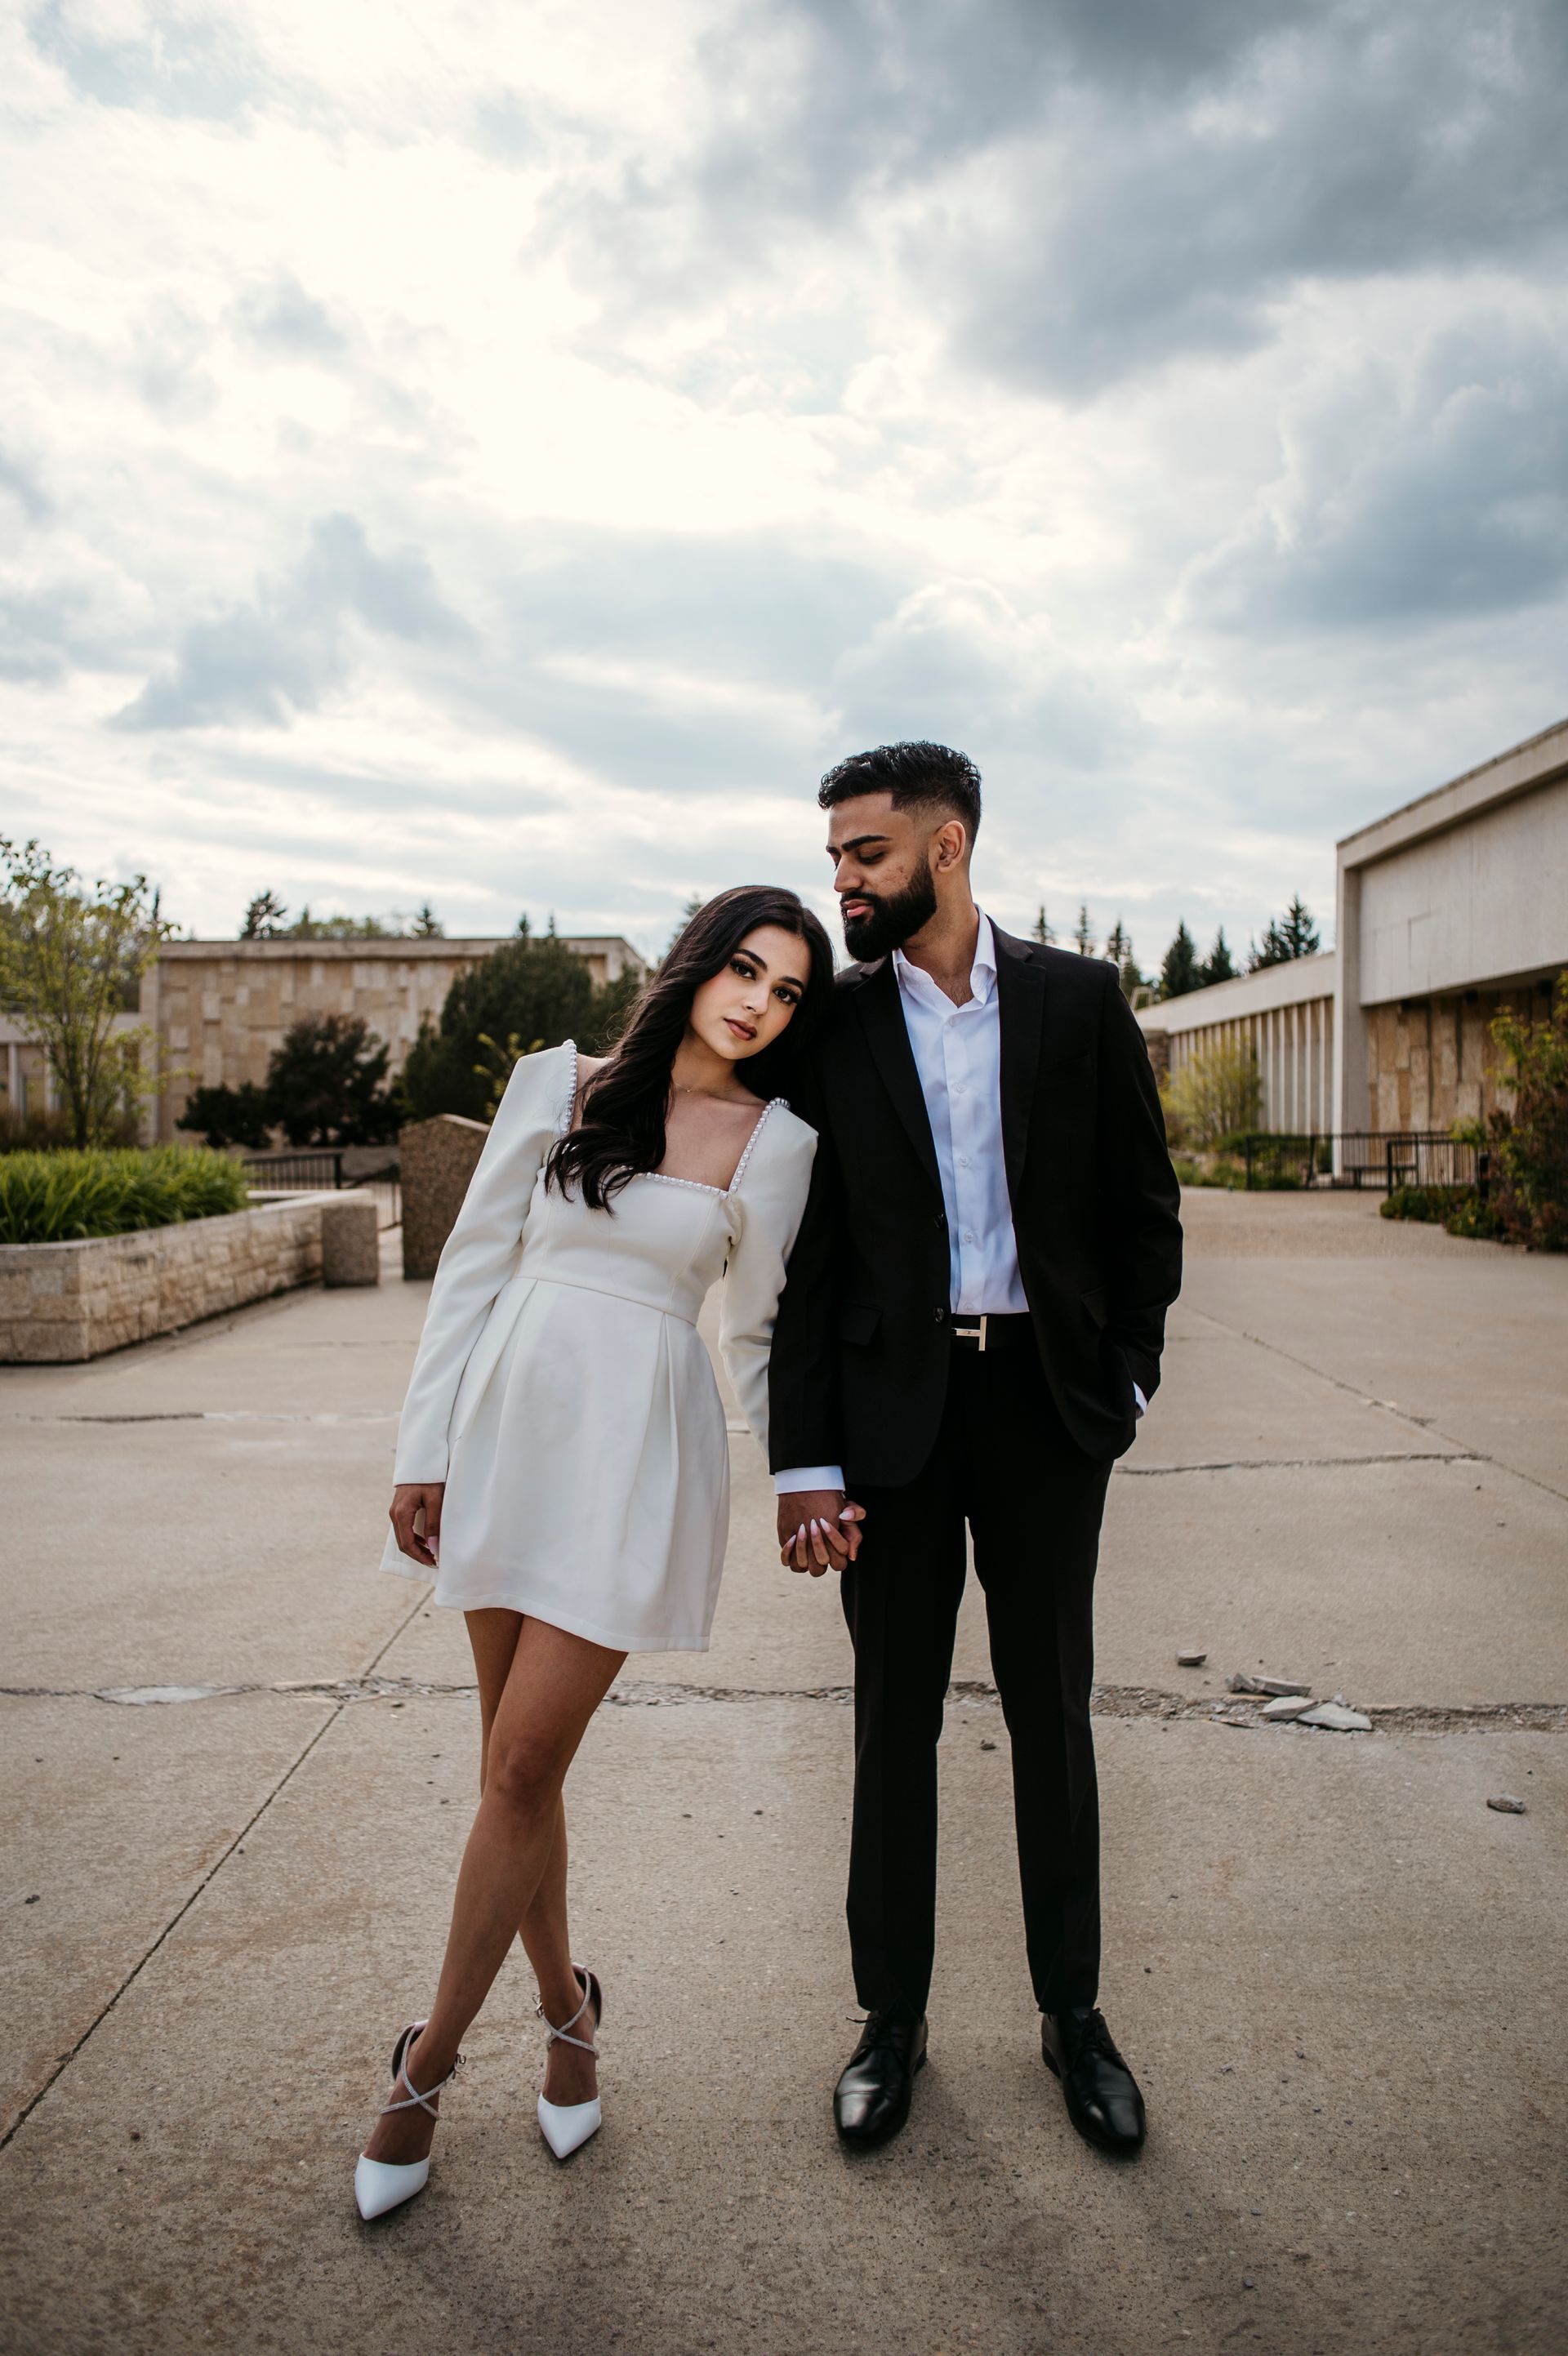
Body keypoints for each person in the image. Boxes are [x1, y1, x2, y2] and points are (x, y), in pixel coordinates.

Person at [355, 886, 837, 2221]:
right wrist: (422, 1446)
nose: (756, 1001)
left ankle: (424, 2067)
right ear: (700, 963)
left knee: (522, 1760)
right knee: (515, 1766)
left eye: (788, 991)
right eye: (745, 967)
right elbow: (471, 1264)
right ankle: (569, 2015)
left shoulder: (779, 1138)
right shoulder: (560, 1080)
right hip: (509, 1426)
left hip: (637, 1454)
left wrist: (804, 1472)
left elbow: (755, 1330)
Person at [768, 742, 1182, 2156]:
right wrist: (803, 1459)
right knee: (895, 1722)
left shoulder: (1077, 1000)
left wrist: (1127, 1387)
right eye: (834, 856)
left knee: (1052, 1717)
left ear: (947, 848)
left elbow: (1145, 1210)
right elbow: (808, 1266)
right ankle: (892, 2019)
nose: (843, 881)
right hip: (892, 1428)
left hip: (1046, 1418)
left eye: (865, 854)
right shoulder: (832, 1027)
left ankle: (1074, 2014)